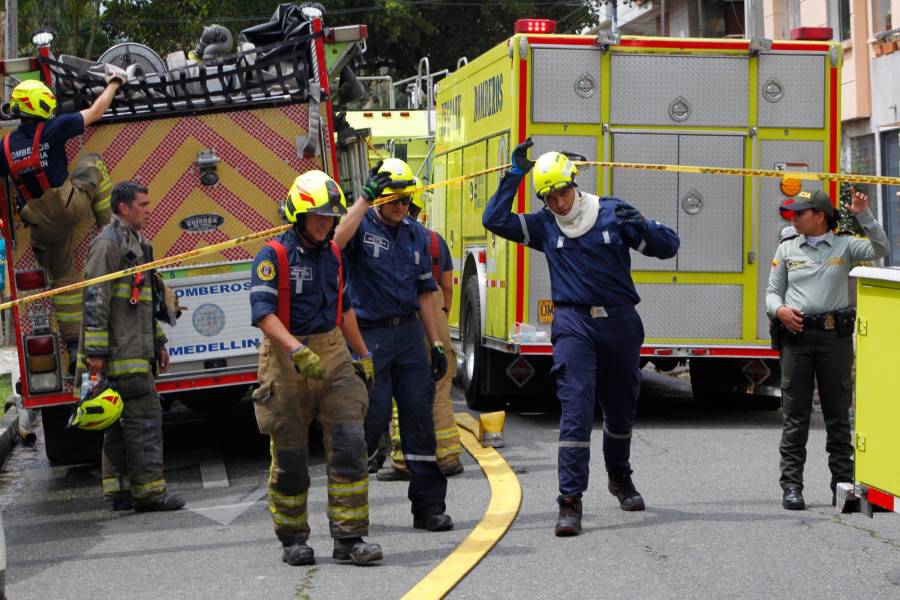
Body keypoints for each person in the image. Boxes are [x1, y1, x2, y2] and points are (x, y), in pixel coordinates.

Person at [482, 139, 680, 536]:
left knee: (621, 407)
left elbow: (668, 247)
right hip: (573, 323)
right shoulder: (543, 226)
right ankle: (569, 501)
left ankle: (620, 477)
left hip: (620, 322)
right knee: (575, 408)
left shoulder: (612, 213)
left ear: (575, 183)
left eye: (562, 192)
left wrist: (642, 224)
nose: (558, 203)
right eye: (549, 197)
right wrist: (514, 175)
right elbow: (494, 219)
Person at [249, 169, 382, 566]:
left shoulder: (334, 254)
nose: (326, 223)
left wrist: (362, 355)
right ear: (298, 215)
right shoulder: (273, 255)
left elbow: (344, 310)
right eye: (318, 216)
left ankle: (349, 539)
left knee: (349, 443)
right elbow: (263, 315)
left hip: (333, 351)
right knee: (290, 457)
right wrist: (295, 351)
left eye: (330, 216)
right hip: (286, 358)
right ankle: (293, 540)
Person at [334, 158, 454, 532]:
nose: (401, 205)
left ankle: (429, 508)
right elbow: (335, 242)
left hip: (408, 335)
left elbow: (425, 292)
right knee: (372, 416)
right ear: (378, 200)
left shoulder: (416, 234)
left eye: (405, 199)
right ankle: (349, 508)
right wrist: (363, 199)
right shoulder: (361, 226)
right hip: (370, 336)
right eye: (393, 199)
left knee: (420, 422)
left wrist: (434, 342)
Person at [766, 186, 888, 511]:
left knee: (837, 416)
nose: (793, 217)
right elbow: (772, 292)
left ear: (819, 216)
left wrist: (864, 214)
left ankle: (843, 486)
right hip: (797, 339)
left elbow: (882, 247)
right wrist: (779, 311)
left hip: (834, 340)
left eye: (799, 213)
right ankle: (792, 486)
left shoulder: (846, 244)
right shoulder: (788, 247)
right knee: (796, 416)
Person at [1, 74, 125, 372]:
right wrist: (115, 83)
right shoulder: (53, 128)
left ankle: (73, 347)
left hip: (42, 225)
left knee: (63, 279)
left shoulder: (4, 148)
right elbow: (96, 111)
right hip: (70, 206)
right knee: (93, 162)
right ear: (41, 105)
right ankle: (112, 234)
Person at [81, 181, 184, 513]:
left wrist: (160, 342)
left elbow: (144, 302)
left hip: (137, 350)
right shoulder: (107, 246)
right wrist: (95, 355)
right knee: (145, 420)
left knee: (118, 423)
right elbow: (95, 300)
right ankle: (149, 493)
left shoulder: (138, 245)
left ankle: (119, 491)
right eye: (142, 204)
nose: (148, 209)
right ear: (124, 208)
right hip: (121, 354)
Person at [377, 178, 464, 481]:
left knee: (403, 390)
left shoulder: (391, 237)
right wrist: (440, 326)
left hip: (408, 314)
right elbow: (448, 286)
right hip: (434, 310)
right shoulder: (435, 239)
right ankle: (449, 456)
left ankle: (402, 462)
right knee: (440, 388)